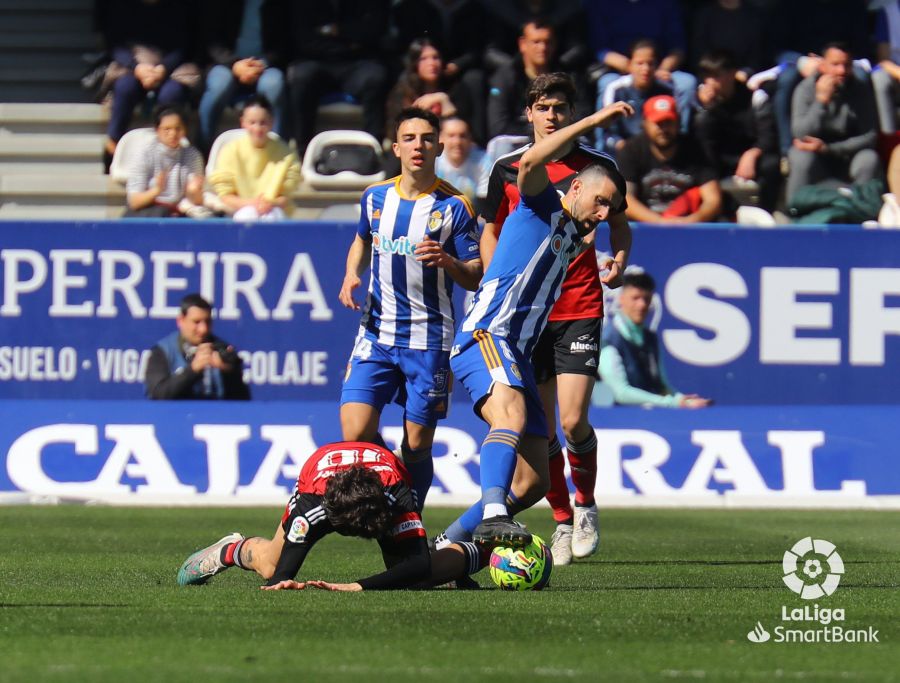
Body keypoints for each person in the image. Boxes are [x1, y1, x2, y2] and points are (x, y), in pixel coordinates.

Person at [436, 98, 634, 550]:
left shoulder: (572, 232)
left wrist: (619, 255)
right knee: (512, 414)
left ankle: (447, 545)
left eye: (610, 209)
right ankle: (490, 515)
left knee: (532, 483)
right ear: (577, 186)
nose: (603, 215)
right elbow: (529, 161)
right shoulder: (539, 203)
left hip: (519, 353)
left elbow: (617, 228)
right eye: (600, 202)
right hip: (488, 334)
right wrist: (595, 121)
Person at [339, 107, 482, 512]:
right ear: (397, 146)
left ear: (437, 146)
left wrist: (450, 262)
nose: (418, 145)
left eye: (426, 138)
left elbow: (475, 275)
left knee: (417, 444)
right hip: (377, 333)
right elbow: (362, 240)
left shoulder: (455, 207)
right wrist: (352, 273)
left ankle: (409, 518)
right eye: (410, 138)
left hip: (428, 340)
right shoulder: (375, 197)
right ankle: (393, 491)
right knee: (354, 431)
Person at [177, 441, 487, 591]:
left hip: (382, 478)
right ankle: (231, 550)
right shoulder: (310, 509)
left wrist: (356, 585)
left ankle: (488, 549)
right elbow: (278, 577)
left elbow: (418, 563)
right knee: (270, 562)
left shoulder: (396, 496)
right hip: (320, 476)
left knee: (415, 577)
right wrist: (284, 583)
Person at [97, 0, 199, 168]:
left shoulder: (178, 7)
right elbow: (115, 44)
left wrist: (163, 69)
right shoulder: (122, 7)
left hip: (169, 67)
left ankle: (166, 152)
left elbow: (184, 45)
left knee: (171, 93)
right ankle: (113, 146)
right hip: (134, 64)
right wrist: (136, 67)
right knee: (125, 87)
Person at [284, 0, 390, 156]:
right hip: (318, 62)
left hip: (356, 64)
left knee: (375, 77)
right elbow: (304, 40)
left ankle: (372, 152)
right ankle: (302, 152)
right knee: (300, 77)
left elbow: (372, 32)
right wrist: (347, 43)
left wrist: (334, 31)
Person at [786, 43, 880, 204]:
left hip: (848, 155)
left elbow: (869, 136)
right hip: (814, 155)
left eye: (847, 65)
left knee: (869, 159)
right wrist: (820, 102)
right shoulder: (805, 89)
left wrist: (829, 149)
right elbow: (800, 133)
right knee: (800, 157)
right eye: (835, 65)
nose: (841, 71)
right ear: (822, 65)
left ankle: (862, 212)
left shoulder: (860, 90)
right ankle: (796, 211)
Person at [600, 272, 711, 408]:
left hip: (644, 419)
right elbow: (621, 393)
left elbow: (661, 386)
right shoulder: (607, 340)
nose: (642, 304)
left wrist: (684, 400)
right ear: (621, 299)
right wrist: (674, 402)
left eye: (646, 299)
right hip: (608, 423)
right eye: (635, 298)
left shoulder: (650, 338)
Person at [693, 49, 780, 212]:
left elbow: (768, 136)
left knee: (771, 164)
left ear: (732, 74)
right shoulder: (699, 101)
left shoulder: (755, 98)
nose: (710, 82)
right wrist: (707, 108)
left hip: (749, 158)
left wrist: (753, 153)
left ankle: (767, 212)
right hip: (719, 159)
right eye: (707, 76)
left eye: (717, 76)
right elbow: (699, 139)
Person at [196, 0, 289, 151]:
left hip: (264, 65)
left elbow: (285, 44)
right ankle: (203, 150)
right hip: (226, 63)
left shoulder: (277, 4)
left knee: (274, 85)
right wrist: (234, 63)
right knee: (219, 86)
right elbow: (212, 41)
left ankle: (278, 153)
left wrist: (261, 64)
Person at [617, 94, 723, 223]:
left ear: (678, 122)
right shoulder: (631, 150)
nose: (664, 129)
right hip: (645, 228)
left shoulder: (697, 150)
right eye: (658, 123)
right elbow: (625, 199)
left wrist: (691, 221)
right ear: (645, 124)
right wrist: (661, 223)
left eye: (669, 122)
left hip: (688, 228)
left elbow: (712, 200)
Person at [209, 95, 300, 221]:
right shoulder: (230, 151)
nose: (257, 129)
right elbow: (225, 196)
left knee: (272, 216)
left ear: (272, 122)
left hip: (273, 210)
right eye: (252, 122)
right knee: (247, 215)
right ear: (243, 122)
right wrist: (252, 204)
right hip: (239, 211)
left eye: (263, 123)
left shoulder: (286, 153)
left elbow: (286, 196)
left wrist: (270, 204)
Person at [145, 293, 250, 400]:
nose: (203, 329)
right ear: (180, 320)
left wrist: (229, 372)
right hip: (175, 415)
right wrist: (193, 370)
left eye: (208, 322)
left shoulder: (222, 349)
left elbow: (242, 400)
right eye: (196, 322)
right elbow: (157, 395)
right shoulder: (163, 351)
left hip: (215, 414)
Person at [384, 38, 473, 144]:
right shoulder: (402, 92)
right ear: (415, 63)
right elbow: (395, 131)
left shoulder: (456, 89)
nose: (432, 63)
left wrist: (443, 100)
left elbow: (461, 131)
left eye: (436, 58)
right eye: (424, 59)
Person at [124, 105, 207, 218]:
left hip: (178, 211)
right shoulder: (144, 154)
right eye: (167, 129)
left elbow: (196, 200)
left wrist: (193, 191)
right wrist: (156, 191)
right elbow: (134, 202)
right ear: (157, 130)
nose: (173, 134)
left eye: (178, 128)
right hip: (148, 211)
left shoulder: (193, 155)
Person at [597, 40, 676, 154]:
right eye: (640, 63)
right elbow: (608, 132)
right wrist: (621, 145)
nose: (646, 69)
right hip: (624, 150)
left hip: (654, 150)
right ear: (630, 65)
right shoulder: (616, 89)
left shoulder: (666, 90)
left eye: (650, 63)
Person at [487, 20, 559, 140]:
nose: (543, 47)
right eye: (536, 42)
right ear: (522, 44)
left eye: (548, 42)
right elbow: (498, 126)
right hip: (518, 140)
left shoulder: (567, 75)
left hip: (560, 139)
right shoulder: (505, 77)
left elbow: (581, 115)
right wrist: (536, 131)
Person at [435, 116, 485, 205]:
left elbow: (484, 203)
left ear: (470, 139)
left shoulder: (484, 162)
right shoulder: (432, 161)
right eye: (451, 136)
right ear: (440, 138)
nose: (457, 142)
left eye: (463, 136)